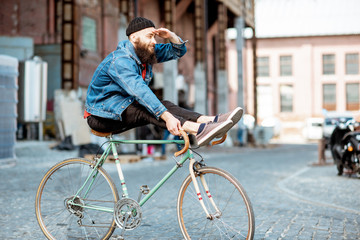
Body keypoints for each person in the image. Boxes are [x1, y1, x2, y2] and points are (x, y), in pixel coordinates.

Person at [84, 17, 243, 147]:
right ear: (134, 37)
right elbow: (140, 91)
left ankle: (210, 121)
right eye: (149, 36)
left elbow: (177, 51)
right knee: (148, 109)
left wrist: (171, 36)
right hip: (100, 117)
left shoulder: (144, 52)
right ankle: (198, 130)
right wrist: (167, 118)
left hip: (121, 110)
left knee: (165, 104)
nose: (153, 41)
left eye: (154, 36)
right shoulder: (120, 60)